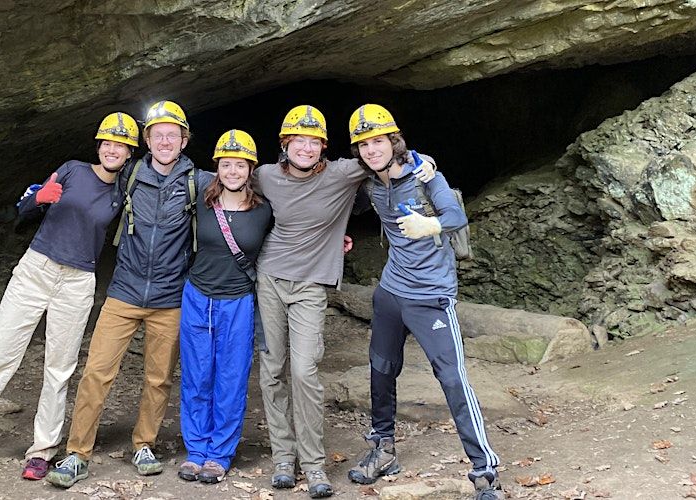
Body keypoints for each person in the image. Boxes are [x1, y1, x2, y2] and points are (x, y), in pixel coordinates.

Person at [0, 112, 140, 480]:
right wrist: (39, 197)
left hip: (78, 281)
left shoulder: (123, 192)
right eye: (107, 142)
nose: (111, 149)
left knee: (59, 369)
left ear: (129, 152)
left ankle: (42, 451)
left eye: (120, 145)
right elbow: (23, 208)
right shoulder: (72, 169)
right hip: (35, 270)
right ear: (99, 145)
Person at [253, 105, 435, 498]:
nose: (305, 147)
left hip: (312, 285)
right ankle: (284, 458)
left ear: (323, 146)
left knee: (303, 370)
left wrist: (425, 163)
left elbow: (387, 156)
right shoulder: (265, 175)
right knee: (272, 368)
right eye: (297, 140)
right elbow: (228, 183)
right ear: (285, 144)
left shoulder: (342, 172)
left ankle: (314, 464)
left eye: (313, 140)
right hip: (269, 277)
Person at [46, 100, 214, 489]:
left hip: (170, 297)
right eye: (158, 135)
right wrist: (46, 194)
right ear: (147, 140)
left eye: (173, 135)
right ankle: (77, 453)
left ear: (184, 140)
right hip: (124, 291)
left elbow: (242, 199)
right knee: (96, 372)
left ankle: (144, 444)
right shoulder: (130, 174)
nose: (166, 141)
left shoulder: (199, 181)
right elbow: (91, 189)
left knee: (158, 378)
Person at [345, 104, 504, 500]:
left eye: (378, 141)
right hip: (390, 294)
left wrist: (430, 224)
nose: (371, 149)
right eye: (363, 144)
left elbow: (454, 213)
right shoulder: (369, 182)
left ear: (393, 141)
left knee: (452, 380)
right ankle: (382, 449)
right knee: (381, 371)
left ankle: (485, 471)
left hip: (431, 296)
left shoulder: (423, 175)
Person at [177, 130, 272, 484]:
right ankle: (196, 450)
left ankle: (218, 454)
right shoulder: (201, 200)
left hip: (238, 302)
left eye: (240, 165)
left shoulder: (264, 211)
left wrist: (337, 238)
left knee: (230, 379)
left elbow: (298, 230)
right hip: (198, 296)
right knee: (196, 375)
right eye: (226, 164)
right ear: (217, 167)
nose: (233, 171)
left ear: (251, 168)